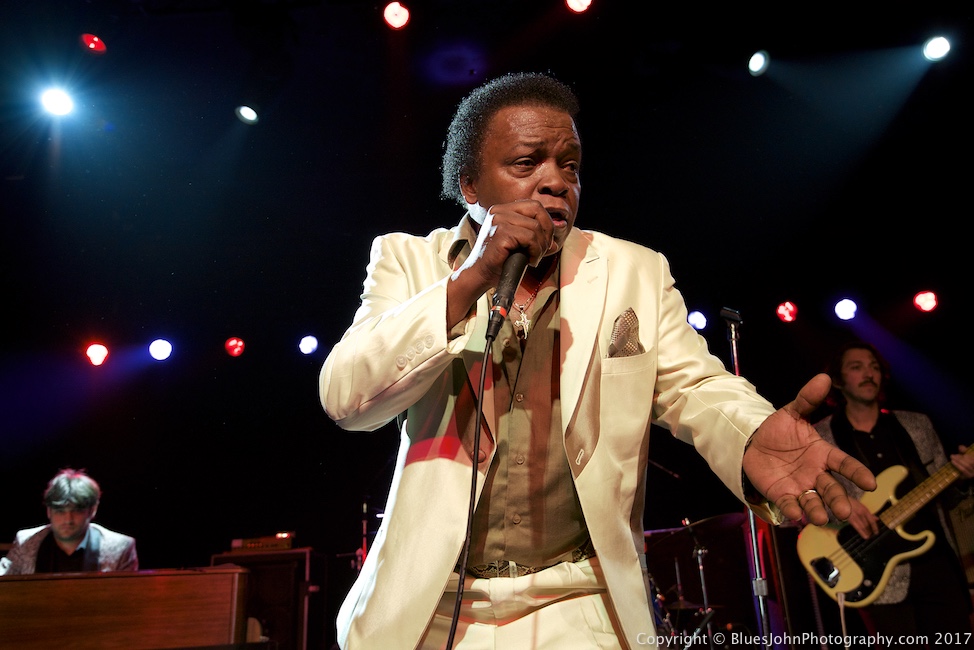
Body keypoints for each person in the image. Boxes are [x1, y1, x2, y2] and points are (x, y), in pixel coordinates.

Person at [318, 71, 875, 649]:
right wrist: (469, 281)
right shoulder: (407, 262)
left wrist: (753, 432)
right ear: (470, 187)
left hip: (579, 599)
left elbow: (696, 387)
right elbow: (348, 397)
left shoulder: (634, 271)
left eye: (569, 166)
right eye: (526, 163)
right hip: (435, 606)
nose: (555, 182)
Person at [812, 341, 973, 641]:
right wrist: (844, 507)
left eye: (874, 366)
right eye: (856, 367)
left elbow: (947, 496)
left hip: (936, 563)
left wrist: (963, 478)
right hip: (876, 573)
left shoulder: (916, 424)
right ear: (837, 380)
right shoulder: (821, 436)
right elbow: (804, 503)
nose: (869, 373)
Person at [0, 468, 138, 575]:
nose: (68, 519)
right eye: (60, 511)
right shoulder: (26, 541)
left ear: (92, 511)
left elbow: (125, 601)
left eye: (77, 511)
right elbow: (6, 584)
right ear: (49, 511)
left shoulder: (121, 547)